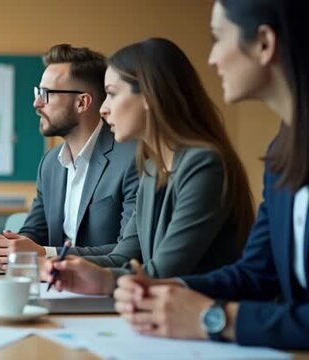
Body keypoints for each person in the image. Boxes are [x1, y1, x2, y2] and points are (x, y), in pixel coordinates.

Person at [114, 0, 309, 349]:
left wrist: (215, 317)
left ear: (264, 43)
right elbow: (255, 275)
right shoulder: (283, 151)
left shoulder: (205, 162)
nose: (211, 58)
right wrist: (168, 292)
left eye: (218, 38)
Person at [43, 37, 254, 296]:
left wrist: (105, 280)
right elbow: (125, 256)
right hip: (163, 317)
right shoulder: (153, 167)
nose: (103, 109)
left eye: (111, 94)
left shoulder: (204, 165)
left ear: (148, 95)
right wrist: (51, 264)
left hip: (202, 321)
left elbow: (164, 272)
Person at [0, 44, 138, 267]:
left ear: (82, 102)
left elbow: (128, 253)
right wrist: (11, 245)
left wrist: (44, 253)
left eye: (46, 94)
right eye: (38, 93)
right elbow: (34, 232)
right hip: (54, 286)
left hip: (104, 291)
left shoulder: (132, 159)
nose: (37, 103)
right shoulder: (50, 164)